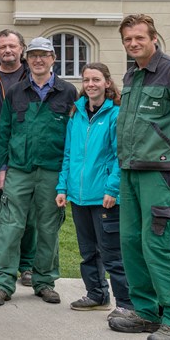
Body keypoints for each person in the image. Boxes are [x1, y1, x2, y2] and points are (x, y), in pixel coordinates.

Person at [108, 14, 170, 340]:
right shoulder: (133, 74)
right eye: (127, 40)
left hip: (161, 175)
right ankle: (146, 313)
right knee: (132, 245)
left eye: (139, 37)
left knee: (160, 247)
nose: (133, 43)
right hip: (130, 171)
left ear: (153, 37)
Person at [0, 37, 78, 307]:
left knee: (48, 227)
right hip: (19, 169)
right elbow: (4, 132)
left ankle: (44, 282)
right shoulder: (16, 91)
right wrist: (2, 167)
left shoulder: (68, 92)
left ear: (53, 59)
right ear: (27, 59)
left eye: (44, 55)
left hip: (52, 171)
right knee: (10, 226)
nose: (39, 60)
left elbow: (74, 137)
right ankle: (2, 282)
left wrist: (67, 175)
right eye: (34, 55)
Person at [55, 62, 133, 318]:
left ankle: (126, 304)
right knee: (88, 252)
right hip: (79, 197)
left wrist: (112, 189)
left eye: (96, 79)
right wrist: (62, 187)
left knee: (112, 255)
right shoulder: (76, 113)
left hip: (105, 198)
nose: (90, 84)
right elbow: (69, 154)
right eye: (86, 79)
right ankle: (97, 295)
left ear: (107, 83)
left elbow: (119, 156)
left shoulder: (115, 114)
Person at [0, 29, 36, 286]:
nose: (7, 50)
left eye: (12, 46)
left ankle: (27, 264)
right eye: (2, 47)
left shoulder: (34, 76)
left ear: (21, 49)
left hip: (28, 156)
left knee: (28, 214)